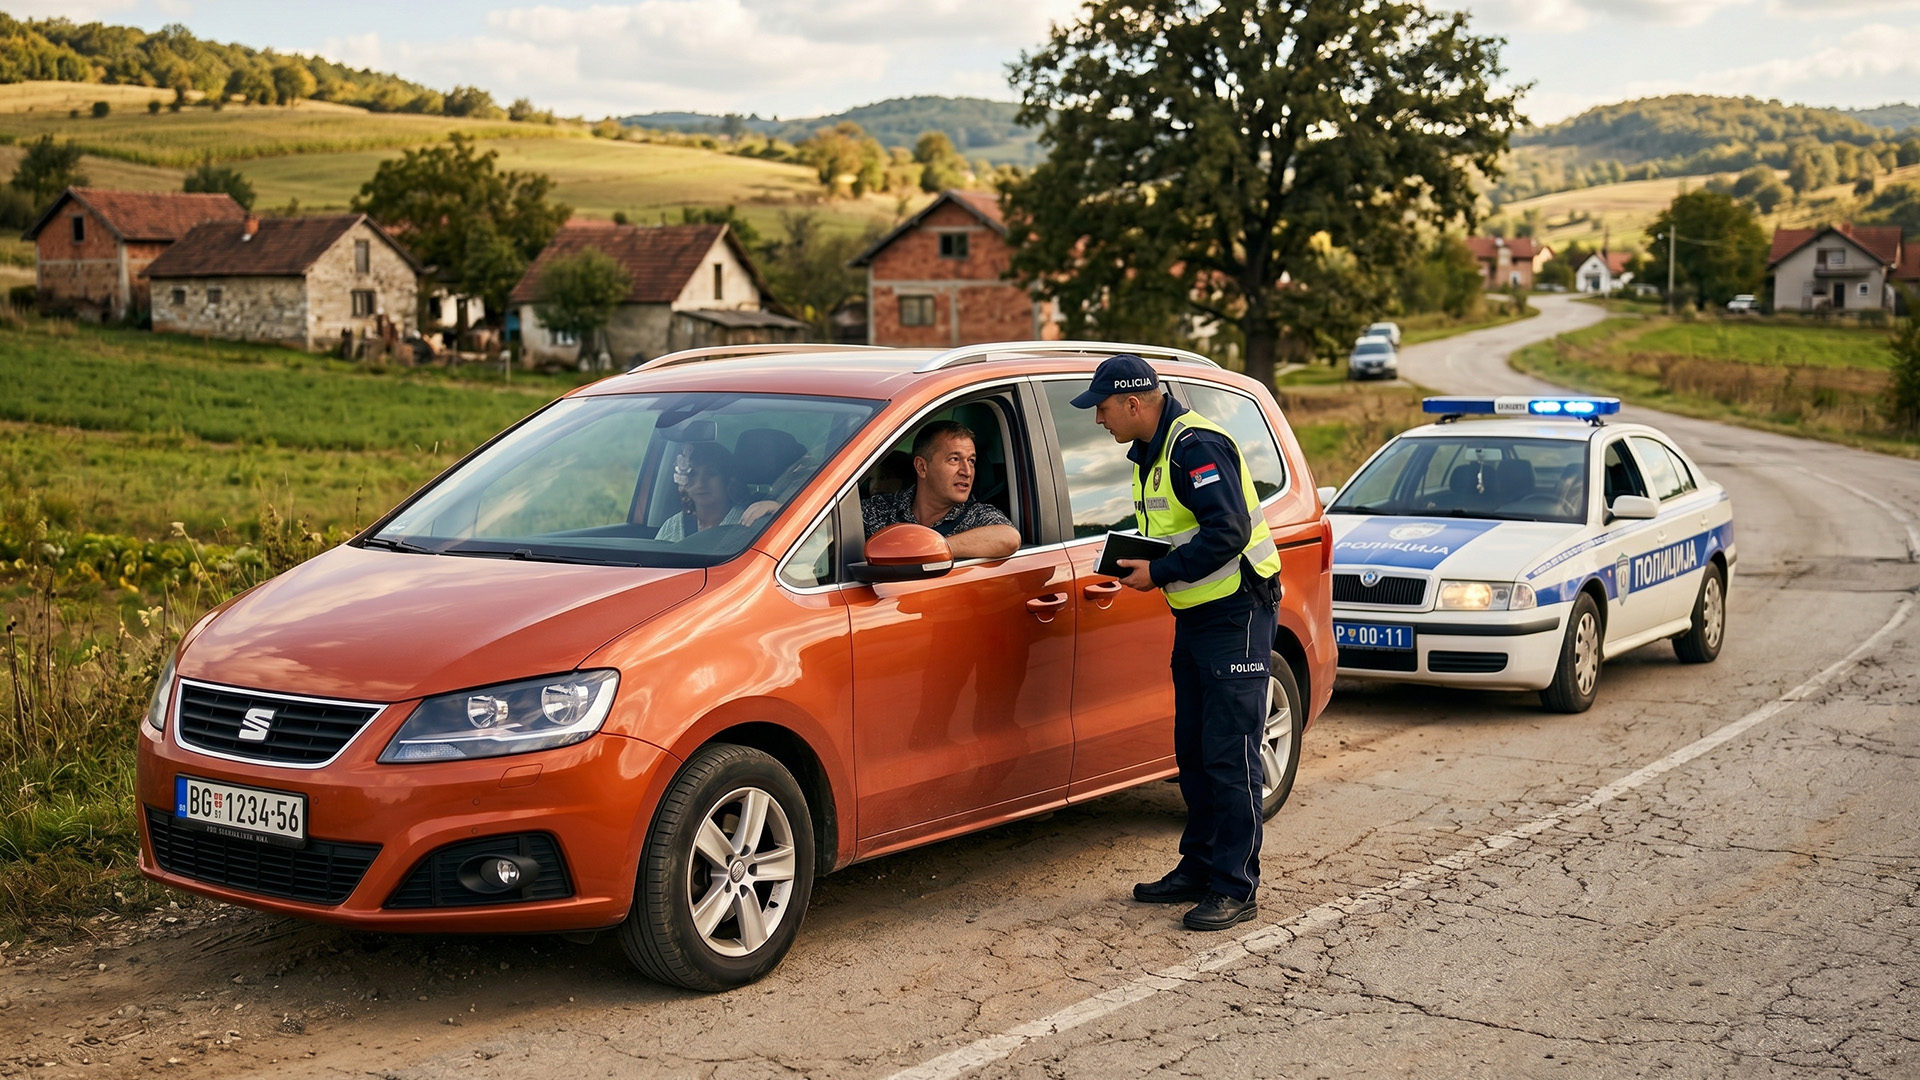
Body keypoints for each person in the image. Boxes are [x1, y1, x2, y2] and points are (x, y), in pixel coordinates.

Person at [1072, 354, 1283, 932]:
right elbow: (1180, 530)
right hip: (1196, 614)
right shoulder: (1152, 452)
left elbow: (1229, 531)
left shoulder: (1194, 446)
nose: (1099, 421)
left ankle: (1236, 886)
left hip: (1236, 612)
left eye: (1104, 408)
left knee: (1229, 753)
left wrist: (1159, 573)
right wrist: (1141, 559)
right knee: (1191, 749)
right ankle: (1199, 866)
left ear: (1135, 402)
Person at [861, 421, 1019, 560]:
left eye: (971, 461)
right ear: (922, 467)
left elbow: (1009, 538)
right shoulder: (881, 509)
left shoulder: (976, 516)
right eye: (954, 459)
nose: (967, 471)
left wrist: (931, 548)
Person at [657, 442, 757, 542]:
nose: (701, 483)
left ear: (729, 478)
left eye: (711, 473)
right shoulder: (673, 526)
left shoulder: (751, 523)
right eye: (692, 474)